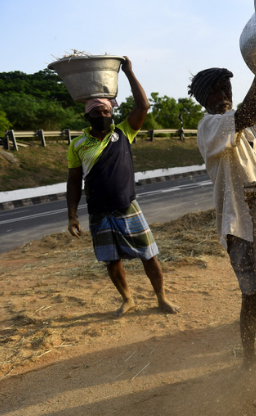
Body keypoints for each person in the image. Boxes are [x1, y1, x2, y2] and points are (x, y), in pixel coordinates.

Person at [188, 33, 256, 362]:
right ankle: (251, 356)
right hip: (242, 226)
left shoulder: (249, 129)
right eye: (214, 92)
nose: (222, 95)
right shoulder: (211, 127)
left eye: (225, 88)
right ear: (204, 100)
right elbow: (247, 113)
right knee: (254, 294)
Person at [66, 57, 180, 318]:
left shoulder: (123, 133)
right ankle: (128, 299)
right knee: (111, 260)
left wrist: (129, 72)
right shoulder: (78, 145)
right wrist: (72, 213)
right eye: (98, 112)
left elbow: (143, 105)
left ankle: (162, 298)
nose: (104, 115)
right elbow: (74, 181)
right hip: (98, 212)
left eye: (107, 112)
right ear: (87, 115)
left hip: (127, 206)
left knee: (149, 256)